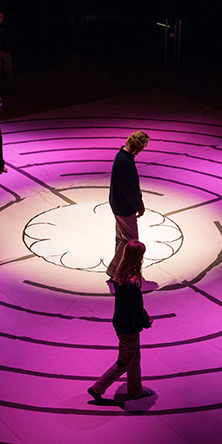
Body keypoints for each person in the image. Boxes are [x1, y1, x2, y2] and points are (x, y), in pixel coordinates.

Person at [88, 240, 155, 403]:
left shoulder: (120, 276)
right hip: (129, 327)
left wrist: (143, 315)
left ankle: (135, 391)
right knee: (124, 361)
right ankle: (98, 388)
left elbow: (132, 306)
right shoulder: (132, 283)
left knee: (134, 358)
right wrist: (145, 321)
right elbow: (135, 308)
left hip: (120, 322)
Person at [105, 131, 150, 277]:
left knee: (121, 239)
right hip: (124, 207)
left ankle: (116, 269)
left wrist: (139, 200)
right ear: (138, 146)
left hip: (118, 204)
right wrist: (138, 205)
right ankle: (120, 271)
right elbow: (129, 189)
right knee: (131, 242)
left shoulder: (123, 156)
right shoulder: (124, 161)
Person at [0, 9, 15, 92]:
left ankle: (11, 86)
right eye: (0, 16)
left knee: (8, 69)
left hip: (6, 52)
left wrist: (3, 50)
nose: (2, 17)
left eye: (2, 16)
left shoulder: (6, 27)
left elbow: (8, 39)